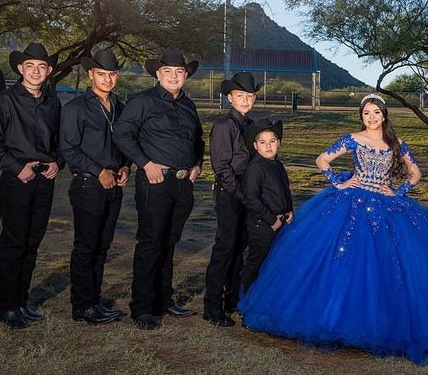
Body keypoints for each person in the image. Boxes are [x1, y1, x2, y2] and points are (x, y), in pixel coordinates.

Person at [239, 94, 428, 365]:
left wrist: (398, 192)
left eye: (376, 112)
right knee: (342, 260)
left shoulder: (396, 143)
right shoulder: (353, 138)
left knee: (391, 265)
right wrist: (339, 183)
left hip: (388, 206)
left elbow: (416, 173)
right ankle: (334, 319)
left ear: (384, 115)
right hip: (352, 202)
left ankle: (382, 321)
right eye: (366, 113)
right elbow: (322, 160)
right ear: (361, 115)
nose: (371, 117)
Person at [113, 48, 204, 330]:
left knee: (169, 243)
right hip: (155, 181)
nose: (174, 76)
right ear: (157, 74)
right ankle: (142, 307)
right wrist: (144, 163)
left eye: (179, 72)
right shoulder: (143, 102)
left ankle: (164, 299)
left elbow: (198, 139)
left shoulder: (189, 105)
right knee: (151, 242)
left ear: (185, 75)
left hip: (182, 184)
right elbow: (121, 134)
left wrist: (197, 165)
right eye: (168, 72)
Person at [0, 42, 63, 329]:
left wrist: (57, 162)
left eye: (42, 66)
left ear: (49, 70)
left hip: (45, 181)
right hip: (16, 180)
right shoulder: (4, 101)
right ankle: (7, 306)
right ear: (20, 68)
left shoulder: (53, 102)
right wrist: (17, 167)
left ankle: (22, 301)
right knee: (14, 243)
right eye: (30, 66)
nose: (36, 71)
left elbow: (60, 142)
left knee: (32, 243)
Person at [60, 49, 130, 324]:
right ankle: (82, 306)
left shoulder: (121, 108)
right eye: (102, 74)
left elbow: (125, 144)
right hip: (88, 185)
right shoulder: (75, 108)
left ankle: (94, 299)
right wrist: (98, 170)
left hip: (114, 185)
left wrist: (125, 166)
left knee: (103, 246)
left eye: (112, 74)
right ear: (91, 74)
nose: (108, 79)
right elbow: (68, 148)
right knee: (86, 246)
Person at [203, 71, 261, 327]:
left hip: (247, 195)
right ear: (230, 98)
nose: (245, 100)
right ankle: (212, 305)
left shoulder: (251, 126)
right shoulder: (225, 125)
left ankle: (231, 299)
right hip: (230, 194)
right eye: (240, 96)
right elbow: (222, 167)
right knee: (225, 248)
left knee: (240, 248)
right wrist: (242, 195)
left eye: (249, 96)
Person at [239, 119, 293, 294]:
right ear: (255, 145)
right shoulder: (255, 168)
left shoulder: (277, 165)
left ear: (279, 142)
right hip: (262, 224)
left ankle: (266, 298)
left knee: (274, 262)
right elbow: (251, 198)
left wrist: (289, 209)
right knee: (257, 262)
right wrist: (271, 220)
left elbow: (285, 189)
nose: (268, 146)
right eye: (263, 142)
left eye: (272, 141)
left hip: (280, 221)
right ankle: (247, 300)